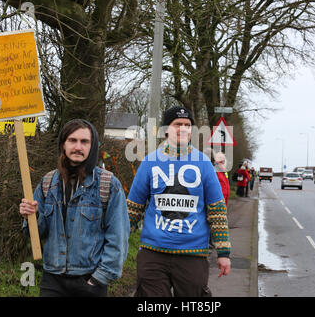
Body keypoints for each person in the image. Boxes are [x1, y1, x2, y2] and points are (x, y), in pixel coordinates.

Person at [127, 106, 231, 297]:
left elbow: (217, 211)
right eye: (177, 124)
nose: (183, 129)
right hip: (153, 253)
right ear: (166, 129)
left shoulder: (204, 164)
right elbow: (133, 209)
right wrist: (119, 244)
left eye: (187, 125)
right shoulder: (150, 162)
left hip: (193, 254)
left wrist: (223, 253)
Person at [19, 119, 130, 297]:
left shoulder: (108, 185)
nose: (78, 146)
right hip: (52, 279)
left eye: (84, 141)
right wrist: (31, 215)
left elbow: (118, 238)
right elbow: (36, 233)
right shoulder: (48, 182)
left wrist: (98, 279)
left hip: (90, 279)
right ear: (63, 144)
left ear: (92, 146)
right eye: (72, 140)